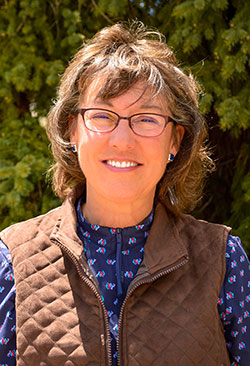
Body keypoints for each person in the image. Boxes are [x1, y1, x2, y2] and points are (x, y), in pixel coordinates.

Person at [0, 21, 249, 366]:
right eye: (102, 116)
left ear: (175, 140)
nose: (122, 140)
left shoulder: (223, 261)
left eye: (146, 119)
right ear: (72, 130)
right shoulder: (12, 262)